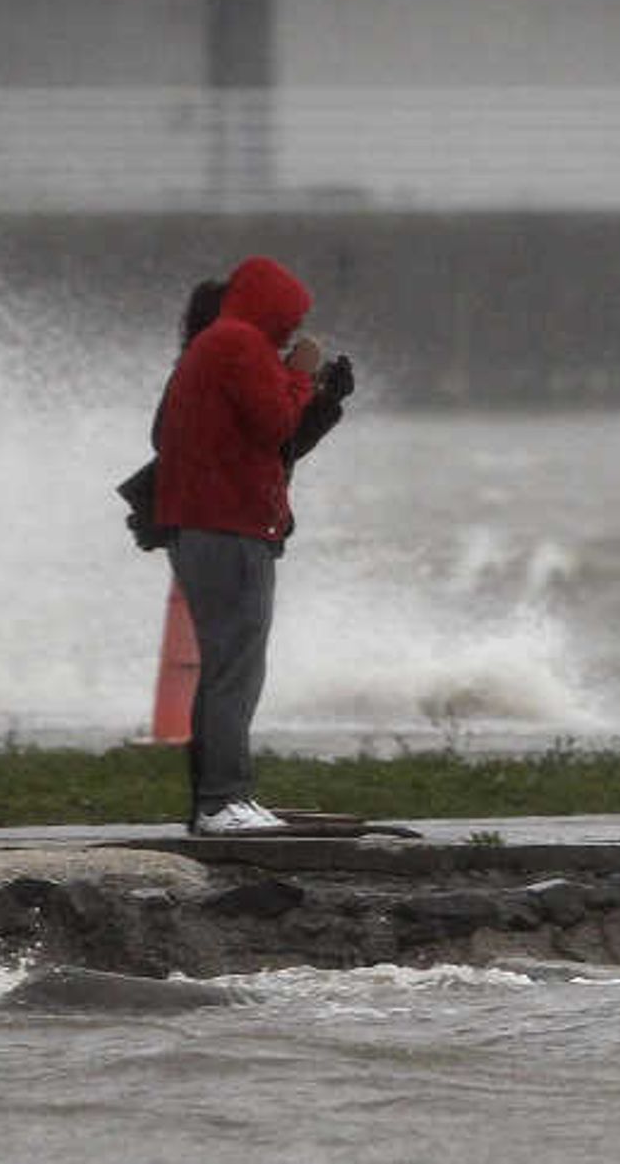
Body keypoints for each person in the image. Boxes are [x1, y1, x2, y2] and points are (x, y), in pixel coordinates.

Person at [150, 255, 355, 836]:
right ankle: (221, 801)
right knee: (234, 669)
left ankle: (224, 798)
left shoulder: (219, 346)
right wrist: (302, 374)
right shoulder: (238, 344)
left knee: (230, 666)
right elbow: (273, 423)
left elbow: (268, 440)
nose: (293, 330)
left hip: (217, 526)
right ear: (272, 307)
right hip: (228, 529)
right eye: (291, 317)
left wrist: (315, 398)